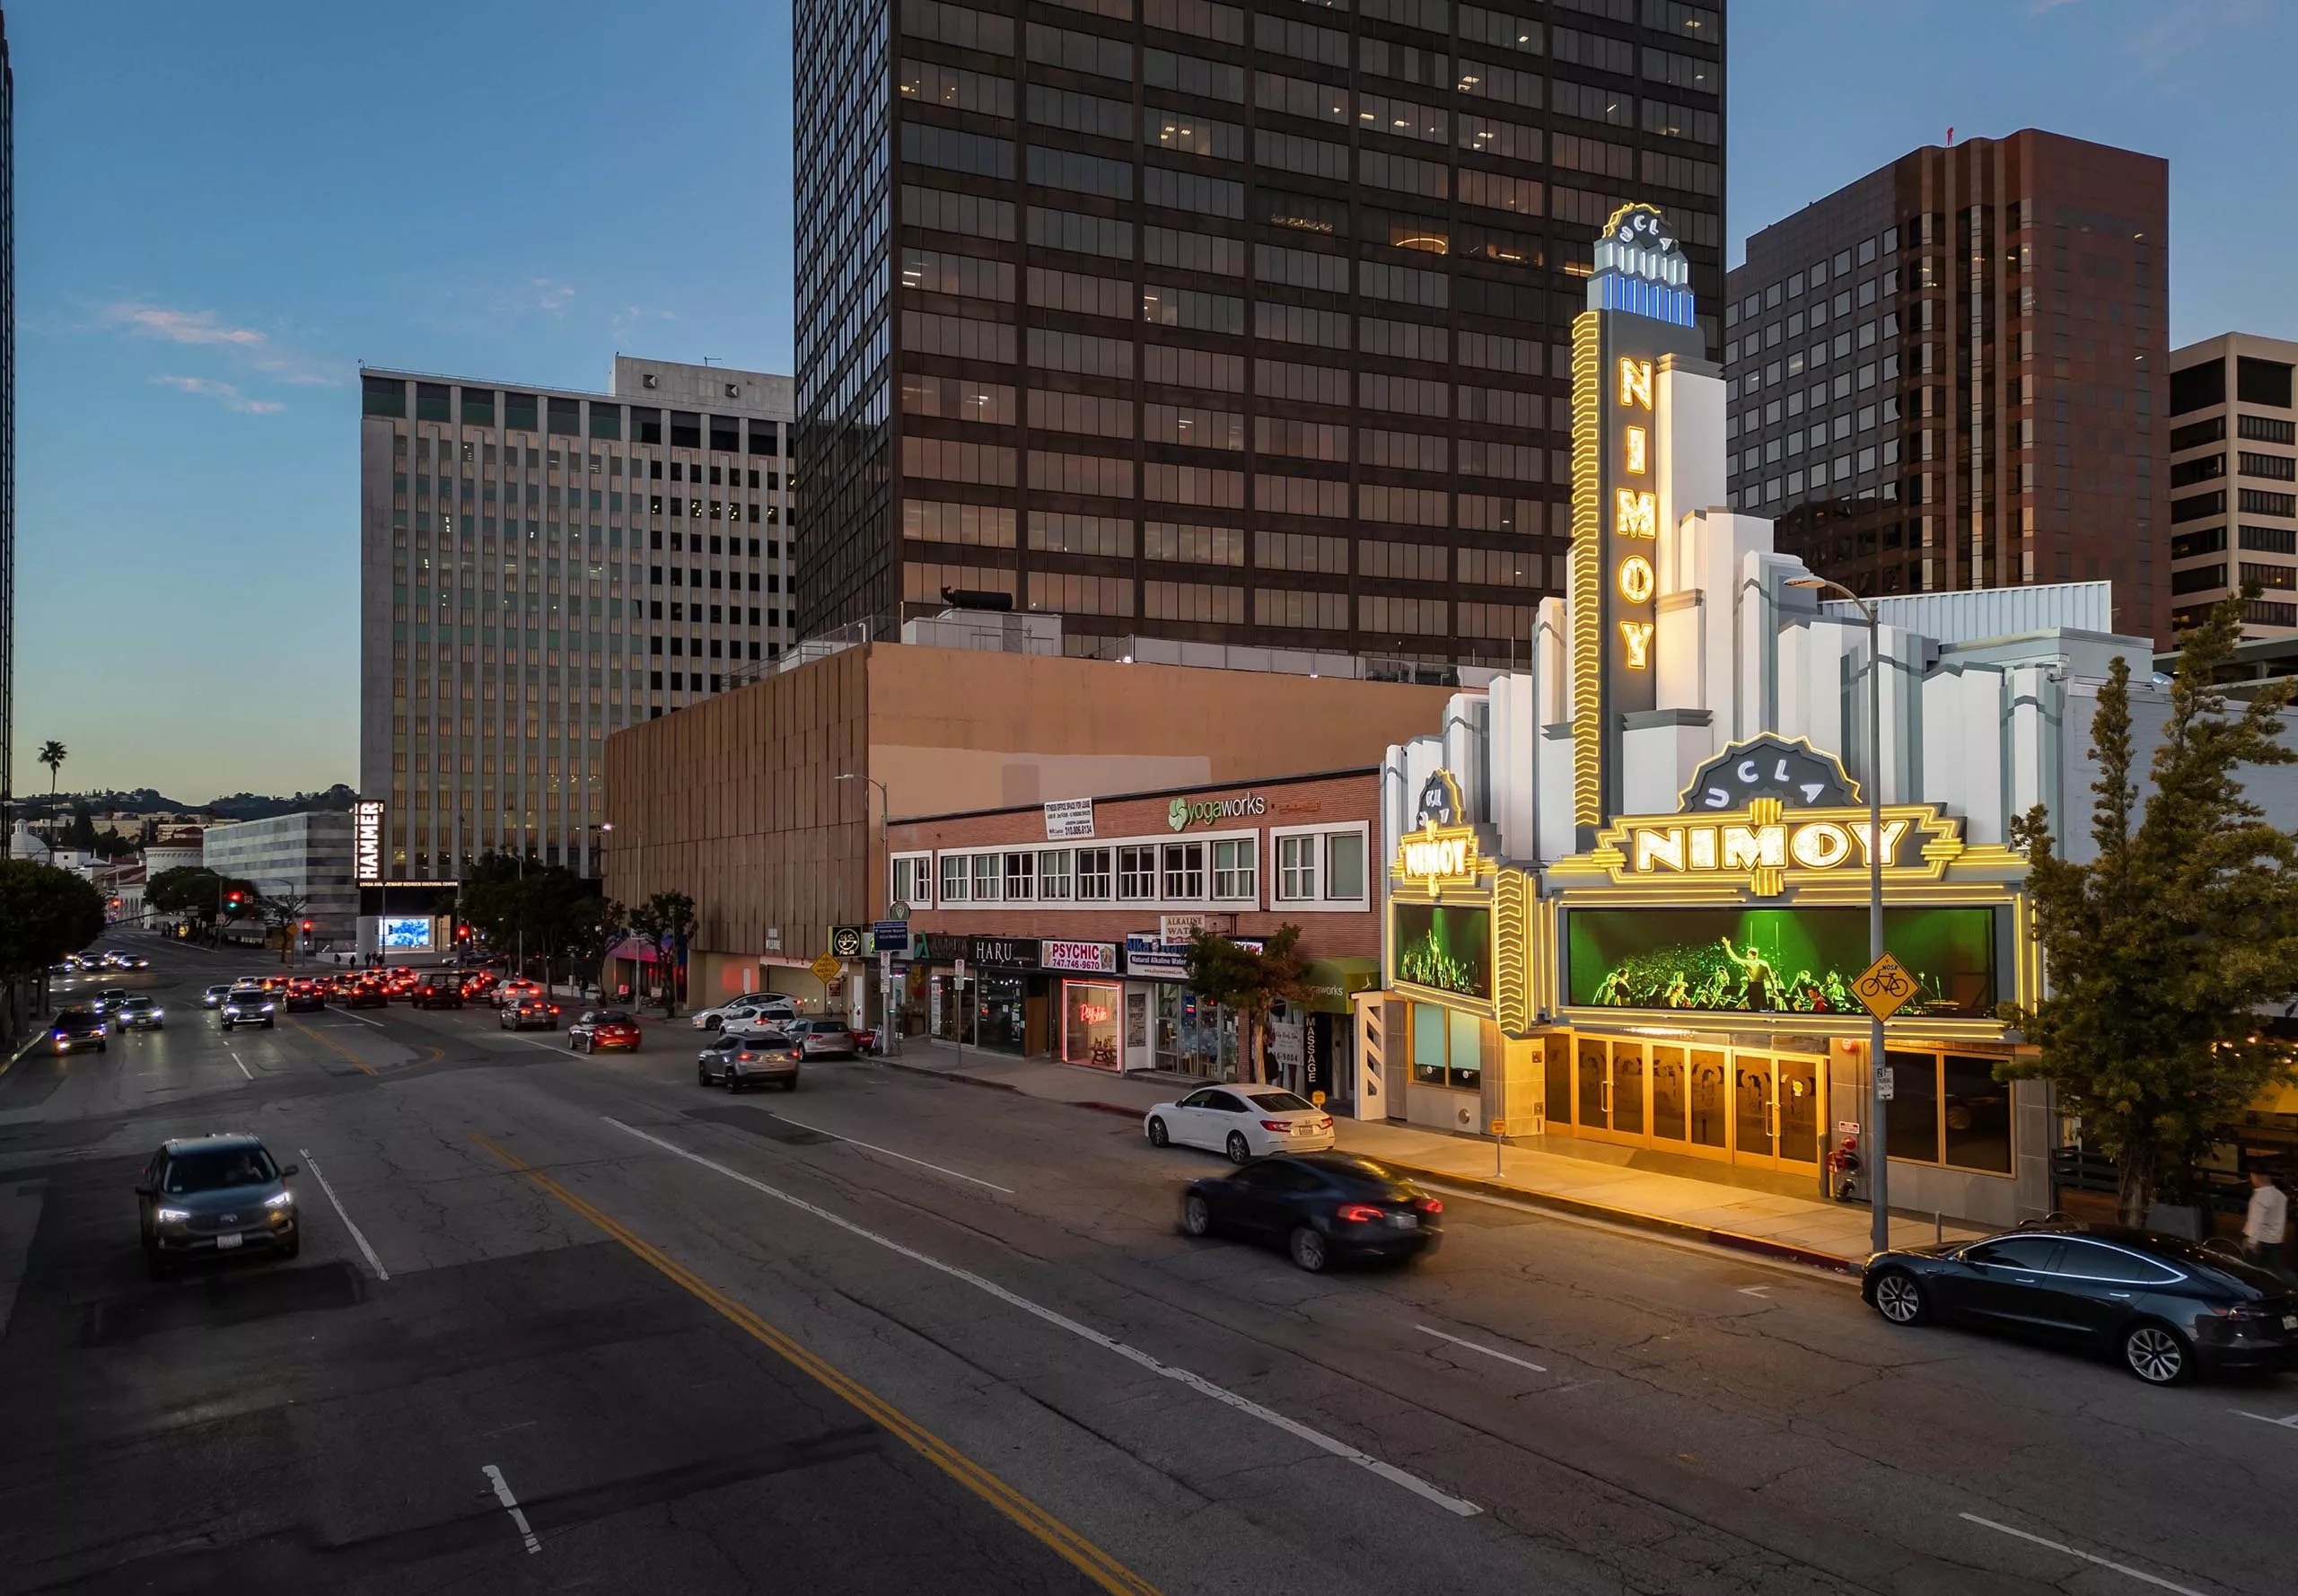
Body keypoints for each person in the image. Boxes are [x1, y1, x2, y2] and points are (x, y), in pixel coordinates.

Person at [2243, 1169, 2289, 1279]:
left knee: (2253, 1274)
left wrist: (2251, 1242)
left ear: (2255, 1177)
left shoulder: (2259, 1197)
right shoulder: (2280, 1195)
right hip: (2276, 1240)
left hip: (2261, 1242)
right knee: (2274, 1273)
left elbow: (2255, 1220)